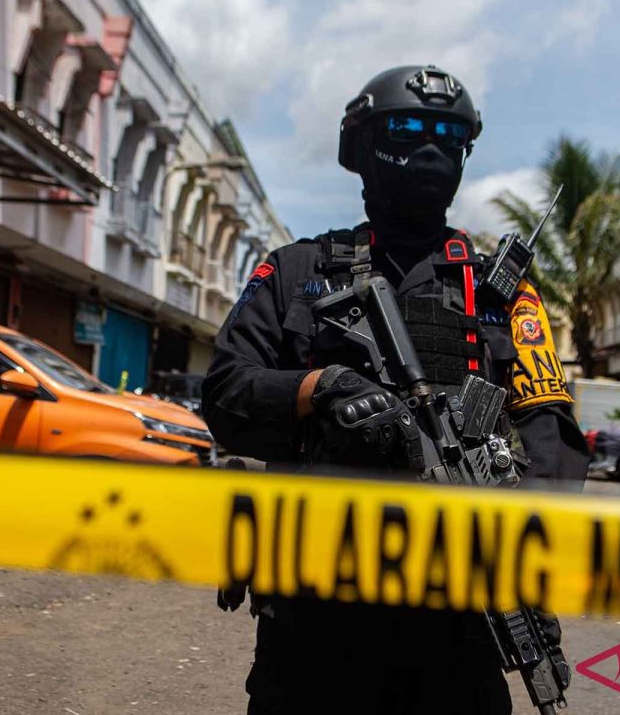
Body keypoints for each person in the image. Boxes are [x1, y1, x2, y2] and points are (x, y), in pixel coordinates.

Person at [202, 65, 590, 715]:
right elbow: (224, 396)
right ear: (360, 148)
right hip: (314, 624)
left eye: (447, 134)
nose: (429, 147)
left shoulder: (501, 293)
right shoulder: (296, 271)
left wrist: (528, 567)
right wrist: (318, 391)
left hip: (457, 627)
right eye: (408, 130)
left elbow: (552, 436)